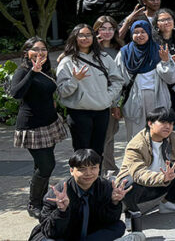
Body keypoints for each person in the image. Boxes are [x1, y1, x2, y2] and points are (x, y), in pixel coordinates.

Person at [9, 37, 66, 219]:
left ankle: (41, 199)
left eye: (44, 49)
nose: (40, 52)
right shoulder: (22, 71)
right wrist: (33, 72)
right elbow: (16, 93)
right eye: (35, 49)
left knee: (41, 166)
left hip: (50, 123)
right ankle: (34, 203)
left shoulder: (47, 70)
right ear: (26, 52)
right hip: (32, 127)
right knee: (46, 165)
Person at [117, 107, 175, 216]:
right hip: (141, 188)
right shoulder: (137, 145)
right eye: (163, 122)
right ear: (150, 123)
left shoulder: (173, 137)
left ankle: (170, 204)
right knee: (127, 183)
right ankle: (131, 213)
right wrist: (162, 178)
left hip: (163, 183)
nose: (168, 127)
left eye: (171, 123)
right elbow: (138, 173)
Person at [57, 24, 124, 160]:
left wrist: (108, 97)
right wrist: (75, 80)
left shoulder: (104, 58)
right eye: (81, 35)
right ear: (74, 38)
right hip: (79, 113)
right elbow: (62, 92)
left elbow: (118, 80)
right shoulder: (67, 62)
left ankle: (96, 180)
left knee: (98, 151)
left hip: (101, 111)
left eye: (88, 35)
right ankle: (81, 180)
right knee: (81, 152)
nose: (85, 38)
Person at [30, 149, 129, 241]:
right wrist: (61, 211)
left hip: (90, 234)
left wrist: (114, 203)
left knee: (118, 226)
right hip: (64, 235)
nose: (88, 173)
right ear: (72, 171)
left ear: (99, 168)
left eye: (93, 168)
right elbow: (50, 232)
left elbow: (109, 221)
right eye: (82, 169)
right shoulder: (57, 193)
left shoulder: (106, 187)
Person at [116, 20, 175, 143]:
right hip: (134, 100)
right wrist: (116, 104)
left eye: (143, 32)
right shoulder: (124, 53)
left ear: (149, 33)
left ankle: (158, 161)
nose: (139, 35)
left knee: (158, 135)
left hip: (157, 98)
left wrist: (166, 61)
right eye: (136, 32)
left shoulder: (159, 51)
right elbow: (117, 80)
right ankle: (137, 161)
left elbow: (171, 79)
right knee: (136, 138)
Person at [94, 16, 126, 174]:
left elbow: (121, 79)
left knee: (109, 135)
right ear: (96, 31)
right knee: (99, 137)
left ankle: (108, 168)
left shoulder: (120, 50)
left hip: (113, 99)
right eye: (102, 28)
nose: (107, 32)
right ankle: (101, 168)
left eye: (110, 28)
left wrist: (117, 104)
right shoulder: (89, 49)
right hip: (93, 99)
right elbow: (63, 58)